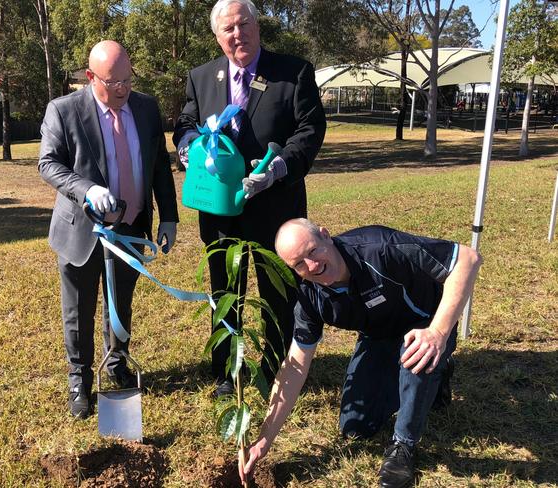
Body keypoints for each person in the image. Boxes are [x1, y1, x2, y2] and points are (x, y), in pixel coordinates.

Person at [241, 219, 482, 488]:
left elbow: (467, 259)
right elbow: (295, 365)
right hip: (379, 336)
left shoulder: (378, 247)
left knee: (416, 356)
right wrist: (265, 439)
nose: (311, 266)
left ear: (325, 235)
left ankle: (403, 445)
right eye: (299, 264)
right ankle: (431, 377)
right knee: (356, 426)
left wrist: (438, 332)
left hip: (427, 324)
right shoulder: (310, 297)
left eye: (312, 251)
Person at [172, 0, 326, 397]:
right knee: (225, 292)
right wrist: (189, 145)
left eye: (243, 24)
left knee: (279, 292)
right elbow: (186, 123)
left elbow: (309, 130)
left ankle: (277, 369)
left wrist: (276, 169)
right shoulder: (202, 76)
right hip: (220, 211)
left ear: (257, 26)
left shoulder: (293, 72)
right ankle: (226, 371)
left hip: (276, 208)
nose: (237, 34)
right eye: (228, 29)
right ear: (217, 35)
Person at [38, 40, 179, 419]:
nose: (123, 89)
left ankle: (116, 364)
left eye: (128, 80)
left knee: (119, 302)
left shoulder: (146, 108)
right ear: (90, 78)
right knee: (79, 310)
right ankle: (80, 381)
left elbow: (158, 167)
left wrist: (168, 215)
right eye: (113, 81)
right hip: (82, 232)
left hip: (131, 228)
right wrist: (87, 188)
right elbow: (48, 164)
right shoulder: (64, 111)